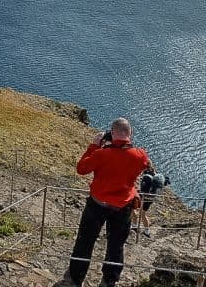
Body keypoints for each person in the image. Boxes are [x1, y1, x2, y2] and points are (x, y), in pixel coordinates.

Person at [57, 117, 150, 287]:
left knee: (85, 241)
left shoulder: (101, 154)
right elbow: (141, 163)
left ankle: (77, 276)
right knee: (116, 244)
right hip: (122, 206)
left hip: (97, 204)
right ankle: (110, 278)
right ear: (130, 134)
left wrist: (94, 145)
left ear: (112, 133)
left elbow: (81, 168)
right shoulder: (140, 156)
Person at [138, 169, 170, 238]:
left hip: (146, 198)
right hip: (150, 198)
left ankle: (138, 227)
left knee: (139, 212)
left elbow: (143, 191)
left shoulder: (148, 179)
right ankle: (146, 231)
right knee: (142, 213)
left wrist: (140, 193)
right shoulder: (157, 180)